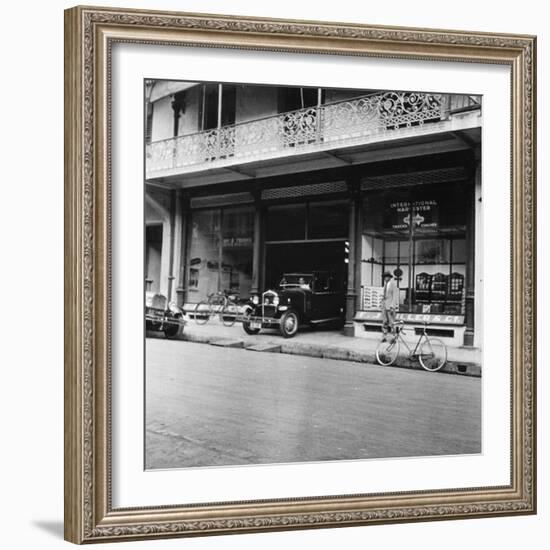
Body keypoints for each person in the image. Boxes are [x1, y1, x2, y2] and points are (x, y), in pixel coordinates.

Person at [381, 271, 399, 340]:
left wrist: (392, 306)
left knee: (392, 322)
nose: (385, 278)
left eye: (387, 276)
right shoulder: (385, 285)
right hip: (384, 306)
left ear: (389, 277)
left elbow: (395, 296)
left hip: (390, 307)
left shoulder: (393, 284)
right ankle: (384, 336)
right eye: (385, 277)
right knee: (384, 322)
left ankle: (393, 337)